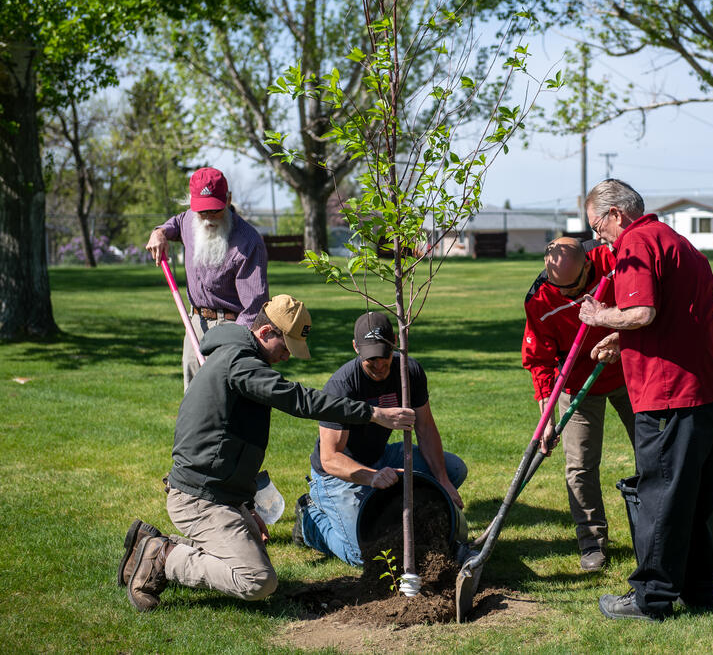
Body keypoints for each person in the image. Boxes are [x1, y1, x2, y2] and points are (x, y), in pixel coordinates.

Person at [118, 295, 416, 612]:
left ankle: (150, 545)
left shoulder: (243, 362)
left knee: (253, 561)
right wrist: (372, 414)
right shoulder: (240, 365)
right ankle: (163, 557)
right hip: (199, 498)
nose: (287, 357)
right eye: (285, 347)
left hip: (222, 494)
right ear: (264, 333)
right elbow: (300, 400)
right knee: (258, 580)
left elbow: (231, 445)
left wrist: (246, 504)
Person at [577, 179, 713, 621]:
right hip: (711, 387)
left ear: (616, 215)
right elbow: (665, 315)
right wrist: (620, 336)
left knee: (661, 495)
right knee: (695, 495)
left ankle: (650, 597)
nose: (598, 237)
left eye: (597, 226)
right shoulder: (675, 240)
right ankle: (699, 590)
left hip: (671, 393)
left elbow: (642, 312)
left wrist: (598, 316)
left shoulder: (634, 244)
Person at [294, 311, 467, 566]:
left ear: (395, 342)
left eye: (384, 355)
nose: (379, 365)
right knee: (363, 556)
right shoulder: (342, 387)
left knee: (453, 470)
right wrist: (371, 477)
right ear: (356, 348)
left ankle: (388, 511)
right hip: (337, 476)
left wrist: (442, 480)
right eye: (370, 359)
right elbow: (330, 459)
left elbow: (425, 427)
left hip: (380, 457)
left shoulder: (409, 371)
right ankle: (310, 521)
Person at [522, 237, 635, 571]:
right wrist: (546, 418)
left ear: (588, 264)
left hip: (630, 373)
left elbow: (646, 309)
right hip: (577, 387)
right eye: (560, 289)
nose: (567, 297)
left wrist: (620, 339)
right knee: (580, 465)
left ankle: (657, 534)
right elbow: (539, 362)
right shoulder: (540, 300)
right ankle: (592, 543)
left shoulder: (614, 262)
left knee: (653, 453)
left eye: (573, 289)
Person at [145, 167, 269, 390]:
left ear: (228, 199)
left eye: (215, 210)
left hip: (232, 327)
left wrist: (230, 344)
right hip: (194, 324)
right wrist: (160, 232)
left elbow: (254, 307)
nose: (208, 218)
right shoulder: (189, 221)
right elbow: (175, 223)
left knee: (221, 398)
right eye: (202, 211)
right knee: (192, 398)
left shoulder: (249, 242)